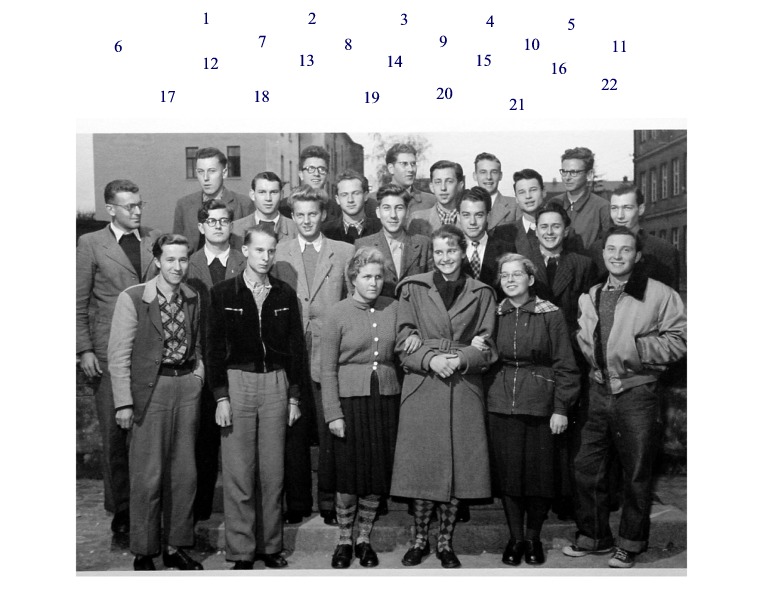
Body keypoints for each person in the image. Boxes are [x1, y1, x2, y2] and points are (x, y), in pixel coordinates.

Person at [563, 226, 687, 568]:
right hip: (597, 391)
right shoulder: (592, 293)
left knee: (636, 472)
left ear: (637, 255)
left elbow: (680, 339)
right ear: (603, 254)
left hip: (637, 392)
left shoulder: (658, 293)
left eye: (625, 250)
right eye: (611, 249)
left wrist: (635, 349)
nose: (617, 256)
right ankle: (594, 537)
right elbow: (585, 335)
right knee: (587, 467)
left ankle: (630, 543)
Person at [391, 225, 498, 569]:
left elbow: (488, 345)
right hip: (423, 384)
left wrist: (462, 358)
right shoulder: (413, 288)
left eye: (451, 251)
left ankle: (445, 542)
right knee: (423, 467)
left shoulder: (482, 292)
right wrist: (429, 359)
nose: (445, 257)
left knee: (458, 469)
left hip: (463, 385)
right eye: (439, 251)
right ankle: (419, 539)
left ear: (463, 252)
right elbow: (402, 341)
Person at [207, 226, 308, 569]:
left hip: (276, 384)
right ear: (246, 251)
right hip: (237, 383)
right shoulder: (223, 293)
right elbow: (213, 347)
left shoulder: (284, 294)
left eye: (271, 251)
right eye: (259, 250)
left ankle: (270, 546)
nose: (265, 257)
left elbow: (296, 349)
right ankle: (241, 550)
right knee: (239, 471)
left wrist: (293, 397)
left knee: (272, 471)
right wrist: (221, 396)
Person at [319, 247, 420, 568]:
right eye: (366, 277)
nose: (374, 283)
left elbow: (406, 339)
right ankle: (344, 540)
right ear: (353, 279)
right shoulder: (336, 314)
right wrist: (333, 413)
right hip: (349, 404)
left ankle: (364, 538)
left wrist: (413, 336)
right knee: (348, 475)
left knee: (375, 474)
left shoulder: (394, 308)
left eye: (378, 277)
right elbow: (327, 370)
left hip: (385, 401)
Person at [108, 234, 204, 571]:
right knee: (148, 475)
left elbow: (198, 343)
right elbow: (119, 355)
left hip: (186, 388)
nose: (177, 267)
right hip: (151, 390)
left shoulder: (192, 296)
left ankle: (176, 546)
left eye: (183, 260)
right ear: (158, 261)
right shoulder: (134, 297)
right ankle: (144, 550)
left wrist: (198, 376)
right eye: (170, 260)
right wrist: (123, 403)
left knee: (184, 474)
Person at [483, 253, 580, 566]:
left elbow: (565, 365)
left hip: (540, 403)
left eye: (517, 274)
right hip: (501, 403)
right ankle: (515, 538)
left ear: (531, 279)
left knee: (539, 477)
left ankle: (533, 538)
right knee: (510, 476)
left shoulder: (550, 314)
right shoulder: (494, 313)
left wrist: (561, 408)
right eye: (505, 275)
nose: (510, 280)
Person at [76, 179, 161, 534]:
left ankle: (150, 507)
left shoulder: (154, 239)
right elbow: (78, 302)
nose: (137, 211)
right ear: (110, 209)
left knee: (147, 434)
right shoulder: (90, 244)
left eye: (140, 204)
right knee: (114, 435)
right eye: (129, 206)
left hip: (150, 350)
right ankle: (122, 512)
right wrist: (84, 349)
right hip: (109, 352)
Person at [273, 185, 355, 525]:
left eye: (312, 214)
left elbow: (352, 303)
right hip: (291, 350)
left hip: (329, 350)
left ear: (322, 215)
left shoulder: (344, 251)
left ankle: (329, 501)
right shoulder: (280, 251)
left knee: (328, 426)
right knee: (293, 427)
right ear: (293, 217)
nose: (306, 221)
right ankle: (297, 502)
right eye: (300, 215)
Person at [185, 200, 247, 522]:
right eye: (212, 221)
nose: (219, 226)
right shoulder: (188, 264)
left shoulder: (244, 261)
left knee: (240, 440)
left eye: (224, 221)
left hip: (237, 362)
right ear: (201, 227)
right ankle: (201, 509)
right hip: (201, 361)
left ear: (231, 225)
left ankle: (242, 509)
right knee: (203, 440)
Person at [589, 184, 681, 291]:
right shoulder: (597, 249)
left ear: (641, 209)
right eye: (614, 208)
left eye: (627, 208)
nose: (619, 215)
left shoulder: (663, 250)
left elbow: (671, 298)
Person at [527, 201, 597, 335]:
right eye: (544, 226)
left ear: (565, 231)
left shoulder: (583, 265)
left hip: (571, 340)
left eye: (556, 226)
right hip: (534, 339)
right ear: (536, 231)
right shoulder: (524, 264)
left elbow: (589, 315)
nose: (549, 232)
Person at [354, 183, 432, 299]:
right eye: (387, 208)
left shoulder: (423, 244)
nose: (393, 215)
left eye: (399, 208)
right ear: (378, 212)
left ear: (407, 212)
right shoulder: (364, 245)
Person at [173, 147, 254, 252]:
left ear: (224, 173)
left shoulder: (244, 204)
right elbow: (176, 249)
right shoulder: (183, 205)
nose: (205, 178)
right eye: (200, 172)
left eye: (212, 171)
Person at [549, 147, 611, 252]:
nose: (567, 177)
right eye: (564, 172)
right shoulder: (554, 203)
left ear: (589, 175)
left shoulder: (602, 207)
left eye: (574, 172)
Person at [458, 186, 516, 289]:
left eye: (479, 215)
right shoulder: (451, 250)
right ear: (458, 217)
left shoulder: (506, 250)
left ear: (488, 216)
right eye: (466, 215)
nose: (472, 222)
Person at [231, 172, 299, 243]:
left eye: (273, 192)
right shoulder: (235, 229)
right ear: (252, 194)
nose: (268, 198)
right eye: (262, 192)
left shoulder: (295, 229)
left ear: (281, 195)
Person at [494, 168, 547, 253]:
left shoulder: (560, 229)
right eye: (522, 192)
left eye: (533, 190)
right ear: (516, 198)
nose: (528, 196)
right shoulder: (504, 233)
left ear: (543, 192)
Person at [322, 170, 382, 243]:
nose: (350, 200)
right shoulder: (325, 232)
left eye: (356, 193)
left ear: (365, 196)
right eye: (344, 195)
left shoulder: (381, 229)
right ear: (337, 199)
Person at [407, 160, 465, 237]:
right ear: (431, 187)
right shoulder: (417, 219)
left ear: (460, 186)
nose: (443, 188)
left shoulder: (470, 219)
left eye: (449, 181)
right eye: (438, 182)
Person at [386, 142, 436, 217]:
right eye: (404, 164)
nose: (411, 169)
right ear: (391, 168)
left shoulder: (431, 201)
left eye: (413, 164)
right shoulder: (373, 201)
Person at [472, 152, 519, 231]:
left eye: (494, 172)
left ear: (500, 175)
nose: (489, 177)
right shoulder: (465, 205)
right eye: (483, 172)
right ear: (475, 176)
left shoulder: (515, 205)